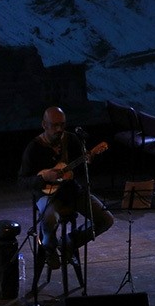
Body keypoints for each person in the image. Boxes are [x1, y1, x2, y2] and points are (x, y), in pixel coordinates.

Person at [18, 106, 114, 268]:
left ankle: (69, 241)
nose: (59, 129)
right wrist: (43, 178)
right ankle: (49, 247)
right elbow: (22, 181)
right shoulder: (34, 148)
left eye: (62, 125)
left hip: (71, 191)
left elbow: (83, 168)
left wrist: (90, 161)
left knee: (106, 219)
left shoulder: (71, 140)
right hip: (46, 194)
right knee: (49, 218)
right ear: (44, 125)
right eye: (54, 125)